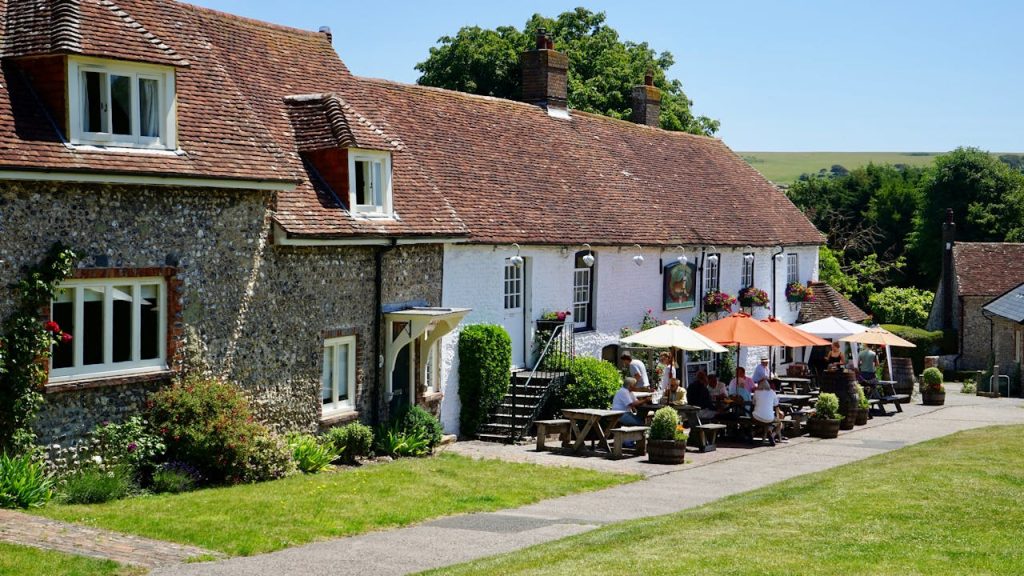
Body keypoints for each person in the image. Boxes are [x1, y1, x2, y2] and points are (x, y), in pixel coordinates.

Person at [752, 380, 785, 445]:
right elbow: (776, 404)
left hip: (756, 417)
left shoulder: (756, 392)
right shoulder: (772, 392)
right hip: (769, 418)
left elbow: (753, 403)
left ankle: (757, 432)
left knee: (760, 419)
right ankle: (772, 435)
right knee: (779, 423)